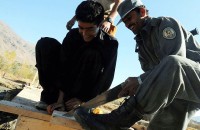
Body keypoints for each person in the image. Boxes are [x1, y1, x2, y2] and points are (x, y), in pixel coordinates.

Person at [74, 0, 200, 129]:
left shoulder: (164, 23)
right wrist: (137, 88)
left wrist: (140, 81)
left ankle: (118, 121)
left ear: (143, 12)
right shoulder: (141, 47)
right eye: (125, 22)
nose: (128, 24)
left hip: (193, 79)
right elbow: (154, 79)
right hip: (183, 94)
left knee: (173, 63)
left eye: (129, 18)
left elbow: (175, 63)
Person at [35, 0, 118, 114]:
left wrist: (84, 101)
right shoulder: (73, 35)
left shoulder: (110, 44)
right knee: (45, 44)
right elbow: (63, 66)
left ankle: (76, 104)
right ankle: (50, 98)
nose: (84, 33)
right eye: (81, 28)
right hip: (63, 87)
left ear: (100, 25)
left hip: (83, 95)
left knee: (92, 54)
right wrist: (59, 101)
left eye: (90, 29)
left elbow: (106, 80)